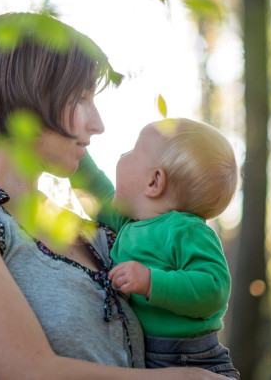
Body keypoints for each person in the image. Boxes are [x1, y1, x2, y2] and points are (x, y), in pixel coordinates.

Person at [0, 12, 228, 379]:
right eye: (81, 97)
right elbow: (27, 371)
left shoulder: (91, 232)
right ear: (24, 95)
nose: (99, 123)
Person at [72, 118, 240, 378]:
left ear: (154, 182)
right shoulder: (128, 224)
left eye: (132, 152)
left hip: (195, 360)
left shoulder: (187, 230)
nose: (121, 155)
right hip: (146, 359)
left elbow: (214, 288)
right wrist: (74, 148)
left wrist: (151, 282)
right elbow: (93, 187)